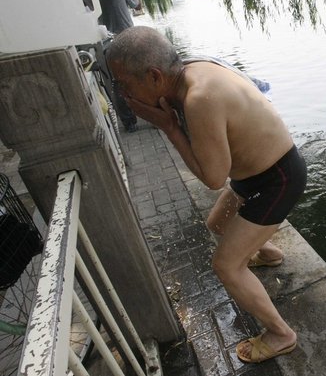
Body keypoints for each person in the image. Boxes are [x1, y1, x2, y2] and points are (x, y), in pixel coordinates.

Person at [106, 26, 307, 363]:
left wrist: (168, 126)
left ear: (155, 75)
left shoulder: (199, 98)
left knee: (226, 266)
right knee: (218, 224)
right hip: (252, 175)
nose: (122, 94)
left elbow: (213, 178)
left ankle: (280, 333)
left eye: (123, 84)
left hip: (277, 178)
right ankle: (267, 254)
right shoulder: (187, 69)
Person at [94, 0, 142, 132]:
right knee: (141, 75)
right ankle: (154, 115)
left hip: (106, 41)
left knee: (117, 82)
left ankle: (129, 123)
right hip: (127, 37)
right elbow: (137, 4)